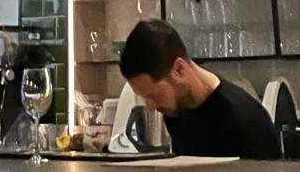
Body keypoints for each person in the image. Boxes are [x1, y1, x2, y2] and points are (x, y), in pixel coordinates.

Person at [119, 19, 280, 158]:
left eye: (154, 95)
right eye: (145, 98)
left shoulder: (245, 120)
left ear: (179, 69)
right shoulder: (176, 113)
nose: (151, 107)